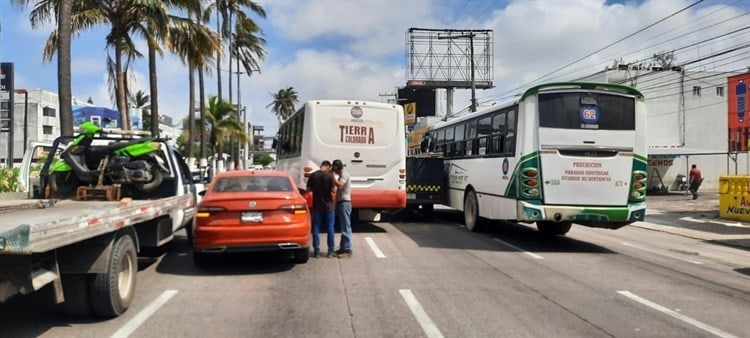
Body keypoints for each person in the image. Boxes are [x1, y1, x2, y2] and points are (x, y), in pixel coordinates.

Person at [306, 160, 337, 258]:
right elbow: (333, 190)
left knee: (316, 227)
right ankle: (330, 251)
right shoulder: (329, 176)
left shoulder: (313, 175)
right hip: (328, 205)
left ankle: (316, 250)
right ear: (328, 167)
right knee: (330, 227)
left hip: (317, 205)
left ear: (321, 166)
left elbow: (308, 189)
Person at [332, 159, 353, 258]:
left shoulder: (344, 174)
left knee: (346, 227)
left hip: (345, 203)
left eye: (334, 169)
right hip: (341, 203)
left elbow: (340, 186)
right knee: (343, 227)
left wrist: (333, 178)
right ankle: (343, 247)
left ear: (336, 168)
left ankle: (348, 250)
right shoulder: (341, 175)